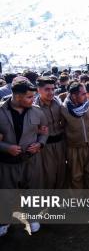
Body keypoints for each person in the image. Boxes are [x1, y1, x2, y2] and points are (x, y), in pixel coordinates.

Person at [0, 77, 48, 236]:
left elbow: (44, 132)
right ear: (17, 96)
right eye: (29, 97)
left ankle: (32, 216)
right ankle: (4, 221)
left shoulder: (37, 111)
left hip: (31, 160)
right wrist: (6, 148)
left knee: (32, 191)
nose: (33, 99)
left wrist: (40, 144)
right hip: (7, 163)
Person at [61, 82, 89, 189]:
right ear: (74, 96)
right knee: (75, 177)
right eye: (83, 94)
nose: (86, 96)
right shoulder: (63, 109)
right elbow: (61, 128)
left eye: (86, 93)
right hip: (74, 149)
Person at [35, 76, 66, 189]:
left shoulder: (58, 102)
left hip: (60, 144)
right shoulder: (34, 107)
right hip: (45, 147)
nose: (51, 92)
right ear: (38, 90)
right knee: (49, 176)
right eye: (47, 89)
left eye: (53, 89)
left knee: (62, 173)